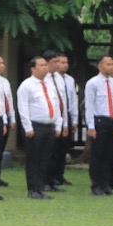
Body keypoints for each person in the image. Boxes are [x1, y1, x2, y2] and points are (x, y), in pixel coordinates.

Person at [85, 56, 113, 196]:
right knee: (97, 154)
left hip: (111, 121)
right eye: (108, 64)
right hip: (99, 121)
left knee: (108, 155)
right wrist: (91, 126)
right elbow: (89, 105)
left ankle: (106, 184)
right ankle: (96, 184)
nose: (111, 67)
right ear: (99, 66)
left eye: (112, 64)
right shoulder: (93, 83)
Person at [16, 56, 60, 199]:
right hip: (35, 127)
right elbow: (23, 108)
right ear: (33, 68)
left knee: (44, 159)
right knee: (34, 159)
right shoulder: (27, 85)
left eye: (46, 65)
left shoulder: (49, 84)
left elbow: (56, 105)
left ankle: (41, 188)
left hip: (49, 126)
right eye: (41, 65)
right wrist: (28, 127)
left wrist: (58, 124)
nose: (45, 67)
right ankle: (33, 189)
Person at [43, 51, 76, 189]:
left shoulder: (60, 79)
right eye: (56, 62)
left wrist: (66, 122)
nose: (59, 65)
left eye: (61, 62)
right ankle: (47, 179)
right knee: (49, 152)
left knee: (60, 150)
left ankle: (56, 177)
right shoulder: (43, 79)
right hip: (48, 119)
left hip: (61, 117)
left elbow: (64, 101)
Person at [0, 52, 16, 189]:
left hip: (3, 117)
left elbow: (8, 101)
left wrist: (11, 118)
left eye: (2, 63)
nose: (1, 66)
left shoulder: (4, 81)